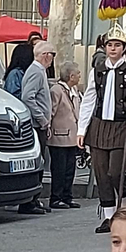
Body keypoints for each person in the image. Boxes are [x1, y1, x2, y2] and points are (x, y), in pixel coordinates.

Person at [78, 32, 126, 233]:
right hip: (99, 126)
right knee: (101, 173)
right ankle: (108, 216)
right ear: (105, 47)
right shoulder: (96, 71)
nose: (113, 48)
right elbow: (89, 99)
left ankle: (123, 201)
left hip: (122, 125)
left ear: (124, 47)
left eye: (117, 45)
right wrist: (82, 129)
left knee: (116, 172)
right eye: (110, 45)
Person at [17, 40, 54, 214]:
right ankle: (29, 201)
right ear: (45, 55)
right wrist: (42, 119)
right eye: (51, 54)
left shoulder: (39, 71)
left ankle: (34, 199)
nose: (52, 58)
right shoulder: (36, 72)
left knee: (39, 161)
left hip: (39, 124)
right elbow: (28, 97)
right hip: (36, 125)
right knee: (37, 162)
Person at [48, 65, 83, 209]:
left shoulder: (74, 90)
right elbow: (51, 110)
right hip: (59, 135)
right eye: (78, 73)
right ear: (70, 76)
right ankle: (56, 197)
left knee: (70, 169)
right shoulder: (56, 90)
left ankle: (67, 196)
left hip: (71, 136)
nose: (80, 76)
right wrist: (48, 127)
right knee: (59, 169)